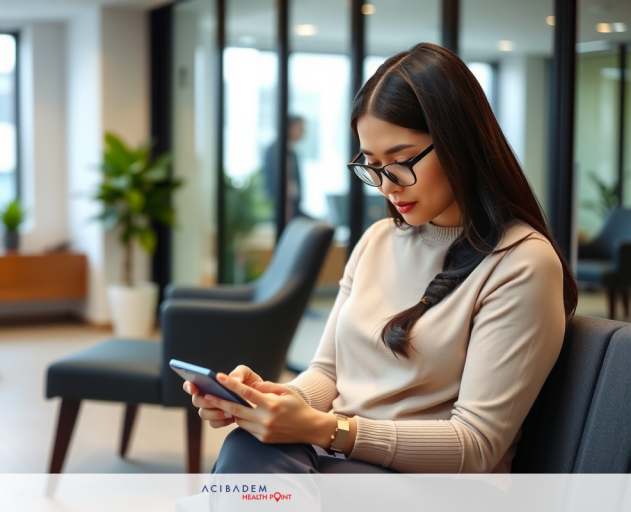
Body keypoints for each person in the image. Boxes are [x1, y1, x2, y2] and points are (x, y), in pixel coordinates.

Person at [184, 42, 578, 474]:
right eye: (372, 164)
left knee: (252, 471)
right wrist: (273, 403)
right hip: (339, 457)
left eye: (402, 161)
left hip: (429, 484)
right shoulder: (377, 240)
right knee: (250, 446)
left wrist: (330, 430)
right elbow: (328, 374)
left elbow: (475, 444)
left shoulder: (521, 264)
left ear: (459, 145)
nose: (387, 186)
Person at [263, 115, 307, 222]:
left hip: (293, 205)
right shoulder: (275, 150)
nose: (304, 132)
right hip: (281, 205)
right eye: (300, 128)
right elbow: (272, 181)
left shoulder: (292, 152)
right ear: (289, 128)